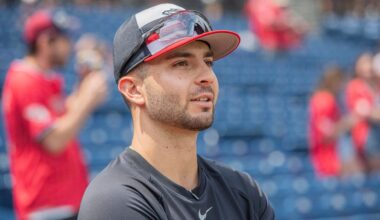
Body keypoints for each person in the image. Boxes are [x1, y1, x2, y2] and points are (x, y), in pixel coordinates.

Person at [78, 3, 274, 220]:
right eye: (181, 63)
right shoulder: (114, 201)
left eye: (208, 62)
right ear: (134, 90)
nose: (207, 76)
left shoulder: (242, 190)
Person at [1, 10, 107, 220]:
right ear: (45, 42)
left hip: (65, 200)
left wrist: (85, 83)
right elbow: (54, 140)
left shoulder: (45, 78)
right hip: (46, 206)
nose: (70, 46)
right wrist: (88, 98)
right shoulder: (24, 80)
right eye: (64, 39)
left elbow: (64, 118)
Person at [308, 66, 359, 177]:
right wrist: (350, 121)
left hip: (325, 155)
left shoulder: (321, 97)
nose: (342, 86)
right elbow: (327, 133)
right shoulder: (325, 99)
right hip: (328, 156)